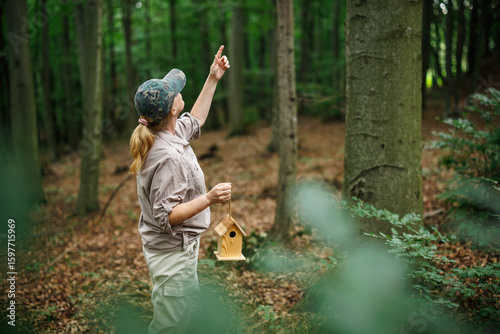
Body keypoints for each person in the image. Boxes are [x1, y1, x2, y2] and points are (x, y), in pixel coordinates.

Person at [129, 45, 231, 333]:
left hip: (181, 250)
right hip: (172, 256)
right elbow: (168, 215)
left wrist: (213, 78)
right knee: (169, 325)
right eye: (176, 92)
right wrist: (209, 198)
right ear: (173, 109)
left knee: (187, 315)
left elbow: (196, 119)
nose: (179, 92)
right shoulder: (167, 157)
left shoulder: (167, 132)